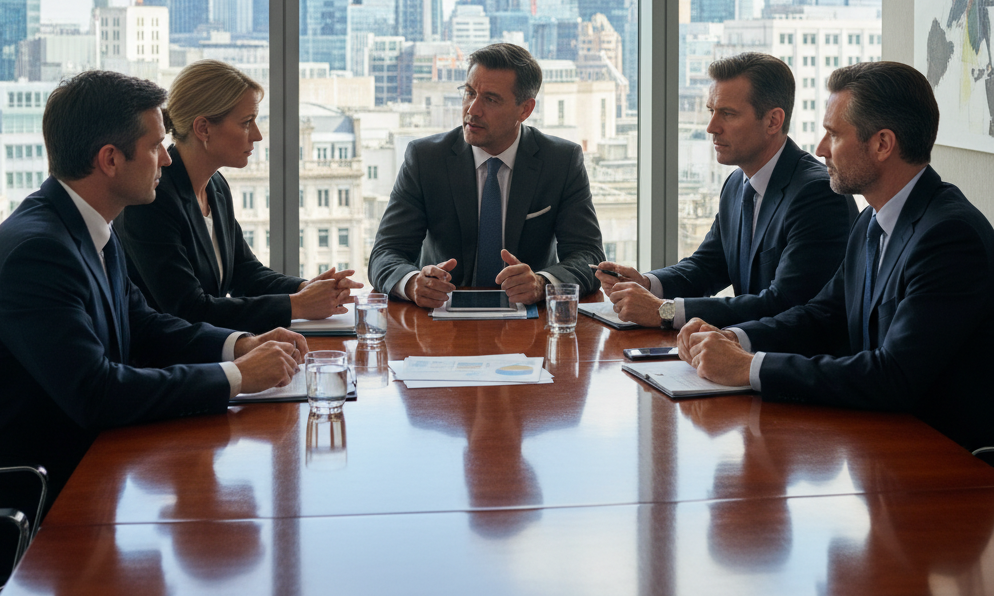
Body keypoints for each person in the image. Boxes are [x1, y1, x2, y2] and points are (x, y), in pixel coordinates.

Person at [0, 71, 309, 506]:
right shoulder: (37, 254)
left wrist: (239, 345)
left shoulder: (88, 226)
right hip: (33, 500)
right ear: (110, 159)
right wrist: (238, 377)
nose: (166, 160)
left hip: (91, 468)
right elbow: (96, 393)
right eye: (154, 147)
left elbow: (143, 323)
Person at [680, 61, 994, 451]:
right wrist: (734, 338)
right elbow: (822, 316)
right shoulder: (870, 223)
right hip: (879, 446)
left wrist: (750, 367)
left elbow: (893, 375)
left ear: (882, 144)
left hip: (943, 463)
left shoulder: (949, 236)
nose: (820, 149)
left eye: (833, 134)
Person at [598, 52, 855, 329]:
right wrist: (646, 283)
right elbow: (707, 267)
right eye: (712, 111)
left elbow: (783, 303)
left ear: (773, 121)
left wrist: (665, 311)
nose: (712, 127)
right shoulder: (736, 184)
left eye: (728, 114)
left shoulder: (817, 194)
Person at [116, 60, 360, 331]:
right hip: (169, 362)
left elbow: (245, 273)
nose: (257, 135)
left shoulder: (216, 186)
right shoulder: (153, 200)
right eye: (247, 122)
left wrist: (307, 288)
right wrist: (298, 304)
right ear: (203, 128)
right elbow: (189, 309)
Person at [368, 43, 604, 308]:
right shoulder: (426, 159)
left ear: (525, 109)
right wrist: (412, 283)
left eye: (490, 99)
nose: (473, 109)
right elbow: (385, 253)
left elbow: (588, 255)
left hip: (530, 321)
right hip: (440, 320)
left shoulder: (561, 161)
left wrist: (542, 283)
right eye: (469, 93)